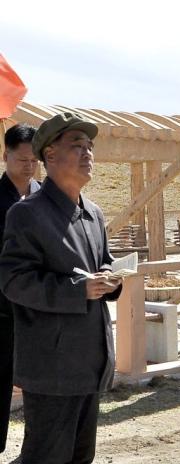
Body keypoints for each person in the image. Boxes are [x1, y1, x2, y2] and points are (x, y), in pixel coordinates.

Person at [0, 112, 122, 464]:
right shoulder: (27, 214)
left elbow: (104, 262)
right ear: (50, 155)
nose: (88, 153)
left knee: (81, 458)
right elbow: (14, 281)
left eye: (90, 146)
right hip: (51, 368)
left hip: (90, 361)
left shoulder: (93, 213)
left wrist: (110, 278)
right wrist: (78, 289)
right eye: (77, 145)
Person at [0, 123, 40, 454]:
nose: (29, 167)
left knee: (40, 387)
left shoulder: (45, 195)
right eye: (22, 160)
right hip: (2, 311)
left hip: (39, 309)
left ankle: (38, 452)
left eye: (34, 161)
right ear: (5, 156)